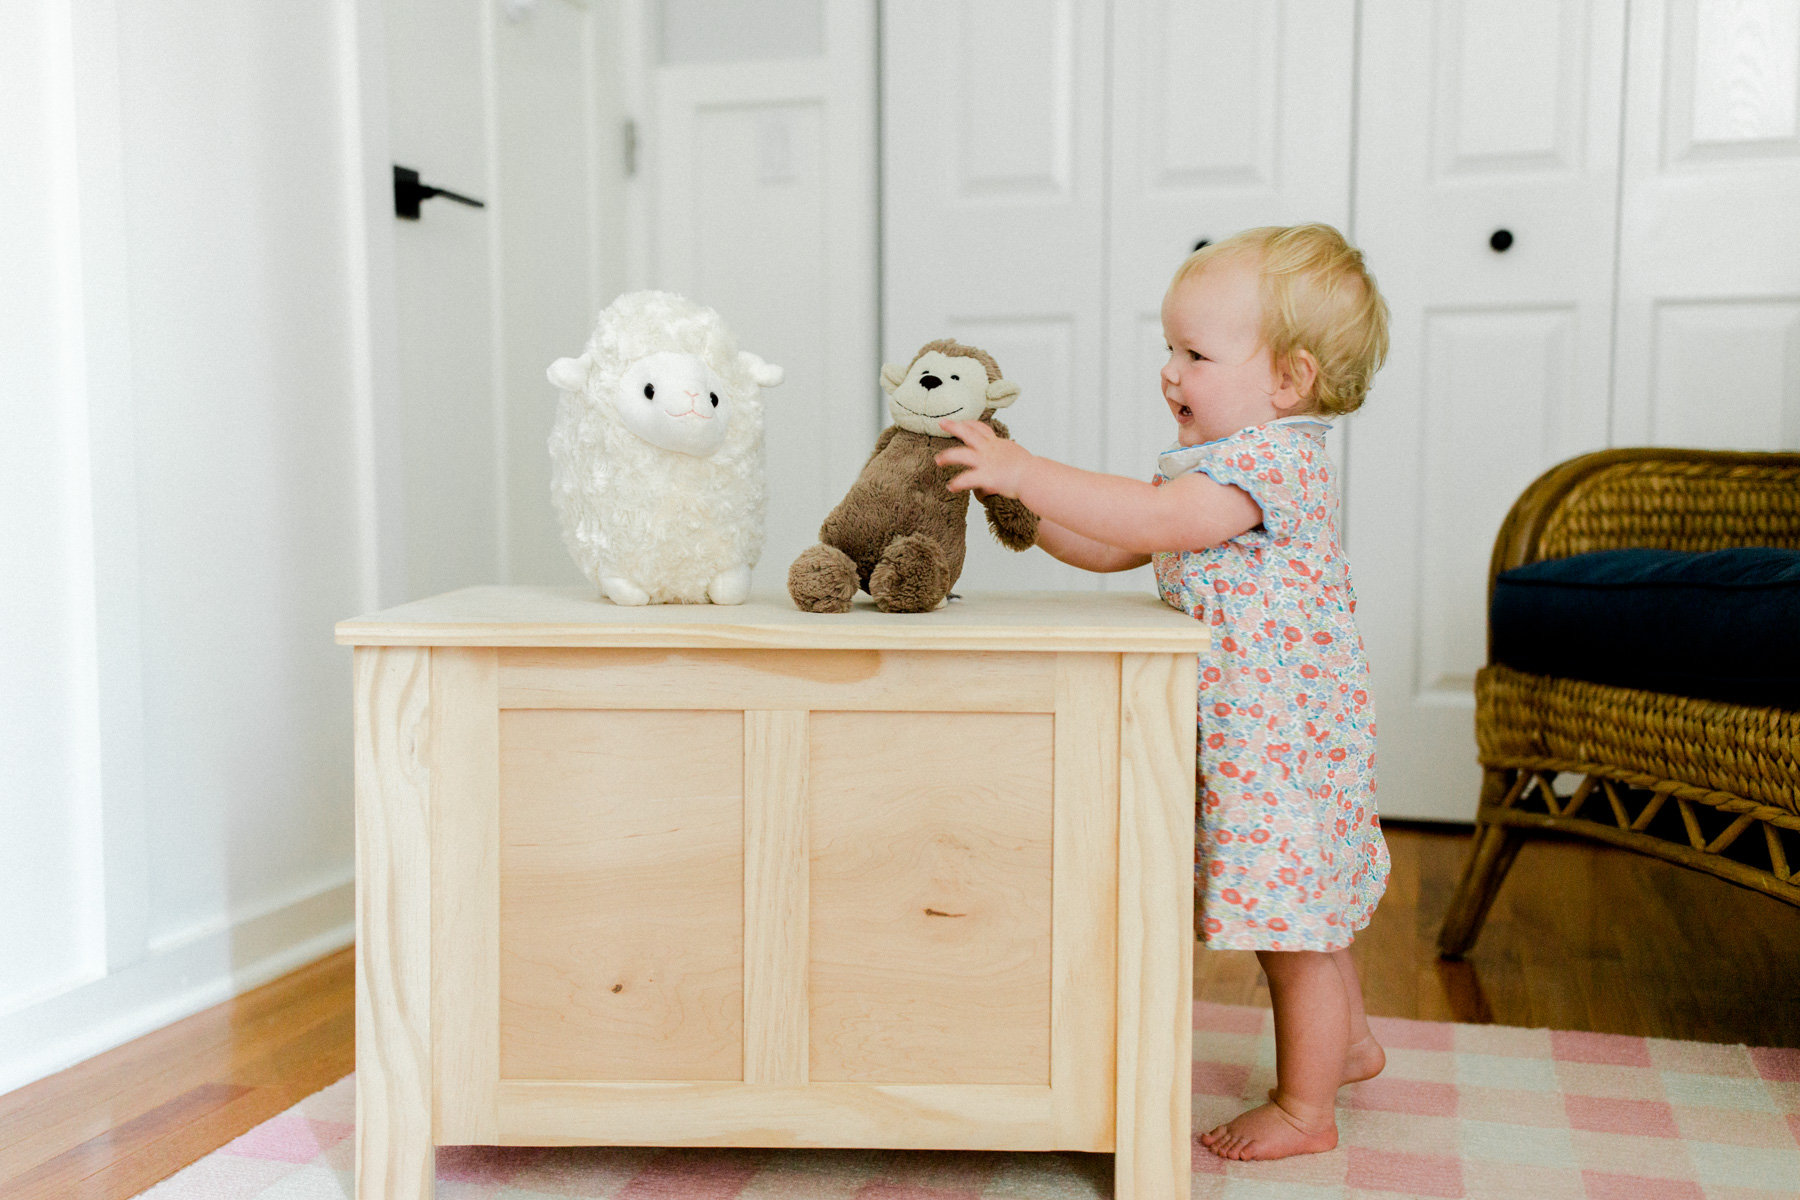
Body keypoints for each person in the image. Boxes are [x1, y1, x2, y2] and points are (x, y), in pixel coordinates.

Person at [935, 223, 1392, 1161]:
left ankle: (1306, 1111)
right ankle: (1346, 1042)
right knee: (1304, 907)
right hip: (1269, 737)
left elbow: (1149, 519)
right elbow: (1115, 544)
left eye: (1195, 354)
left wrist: (1031, 469)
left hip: (1282, 747)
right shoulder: (1211, 467)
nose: (1170, 373)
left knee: (1292, 931)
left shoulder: (1272, 464)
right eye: (1168, 349)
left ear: (1290, 381)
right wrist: (1018, 502)